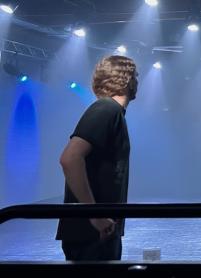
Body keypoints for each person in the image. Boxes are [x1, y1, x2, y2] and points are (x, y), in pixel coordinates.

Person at [55, 55, 138, 261]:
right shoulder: (105, 109)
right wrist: (96, 216)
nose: (138, 82)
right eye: (136, 76)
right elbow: (70, 158)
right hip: (91, 233)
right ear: (127, 80)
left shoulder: (113, 112)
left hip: (101, 230)